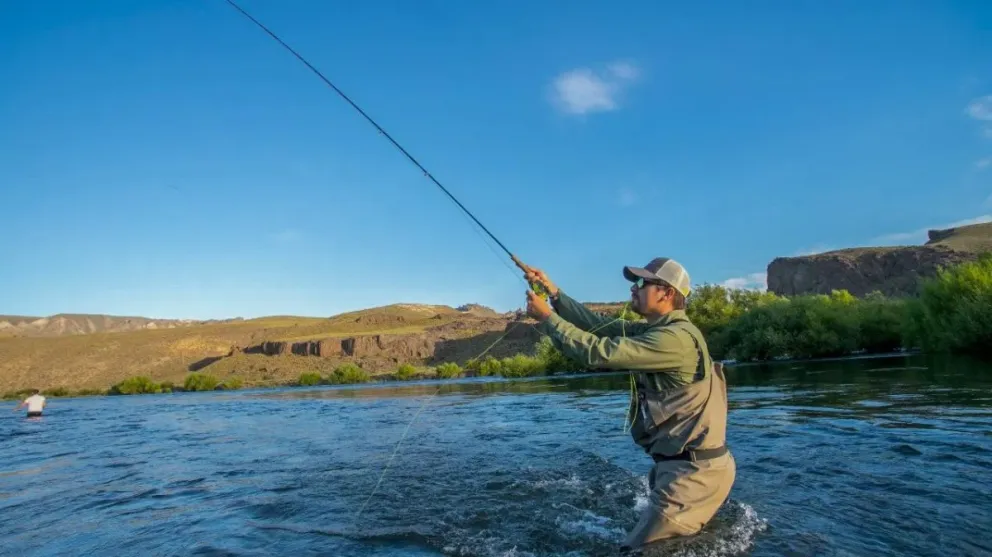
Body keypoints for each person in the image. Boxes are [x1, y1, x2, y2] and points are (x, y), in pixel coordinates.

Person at [522, 257, 735, 552]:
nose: (633, 289)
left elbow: (600, 352)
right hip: (687, 466)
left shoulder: (674, 340)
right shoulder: (659, 331)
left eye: (641, 283)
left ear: (667, 293)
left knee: (634, 551)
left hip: (693, 475)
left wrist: (548, 319)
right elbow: (600, 327)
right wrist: (554, 293)